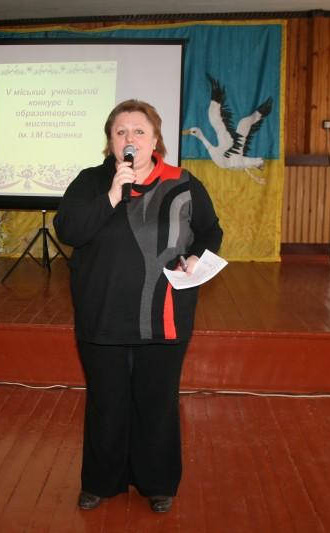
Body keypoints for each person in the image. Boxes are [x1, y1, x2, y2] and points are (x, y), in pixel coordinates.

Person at [54, 100, 223, 513]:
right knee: (106, 400)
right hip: (103, 312)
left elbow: (210, 230)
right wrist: (113, 194)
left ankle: (157, 482)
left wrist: (196, 257)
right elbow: (69, 230)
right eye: (121, 132)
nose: (130, 138)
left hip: (163, 313)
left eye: (139, 131)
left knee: (157, 401)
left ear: (155, 138)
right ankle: (101, 480)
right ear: (111, 141)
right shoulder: (91, 182)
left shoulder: (183, 182)